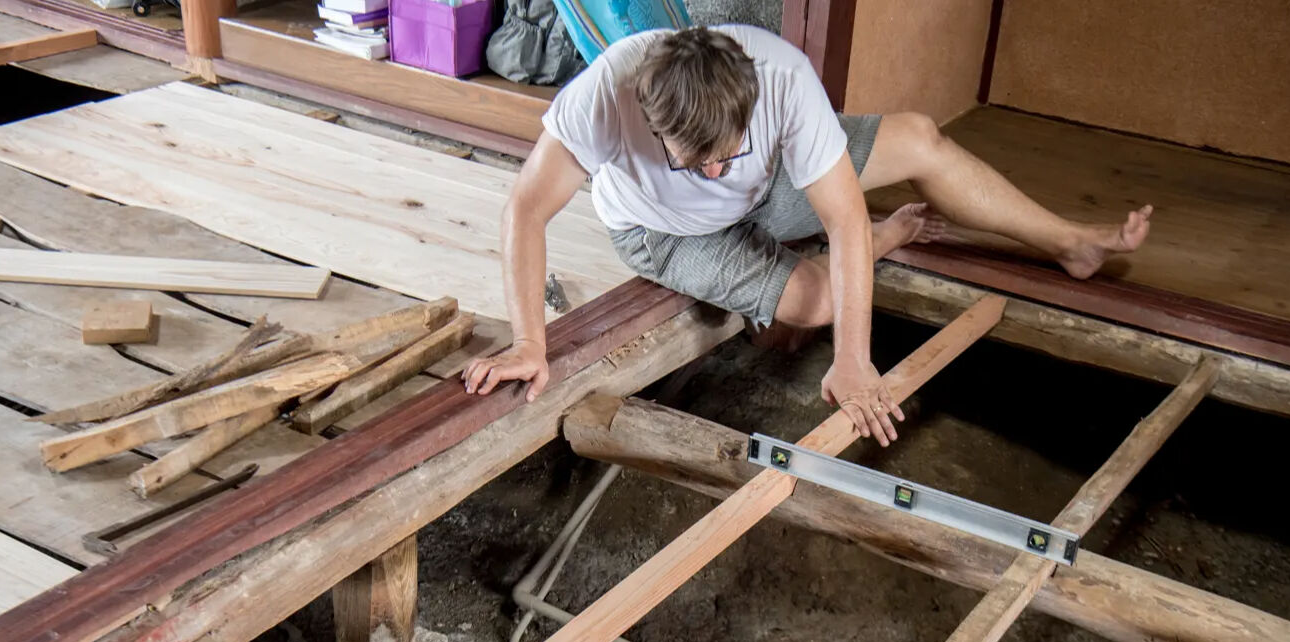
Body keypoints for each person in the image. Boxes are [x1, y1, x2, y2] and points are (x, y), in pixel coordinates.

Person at [463, 25, 1151, 445]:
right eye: (689, 157)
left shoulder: (782, 79)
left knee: (918, 138)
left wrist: (854, 358)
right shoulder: (605, 92)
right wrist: (530, 340)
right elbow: (525, 209)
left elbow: (840, 216)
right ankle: (887, 244)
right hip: (663, 231)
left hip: (768, 190)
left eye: (722, 154)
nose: (709, 169)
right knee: (819, 301)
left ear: (749, 100)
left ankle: (1070, 242)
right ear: (647, 111)